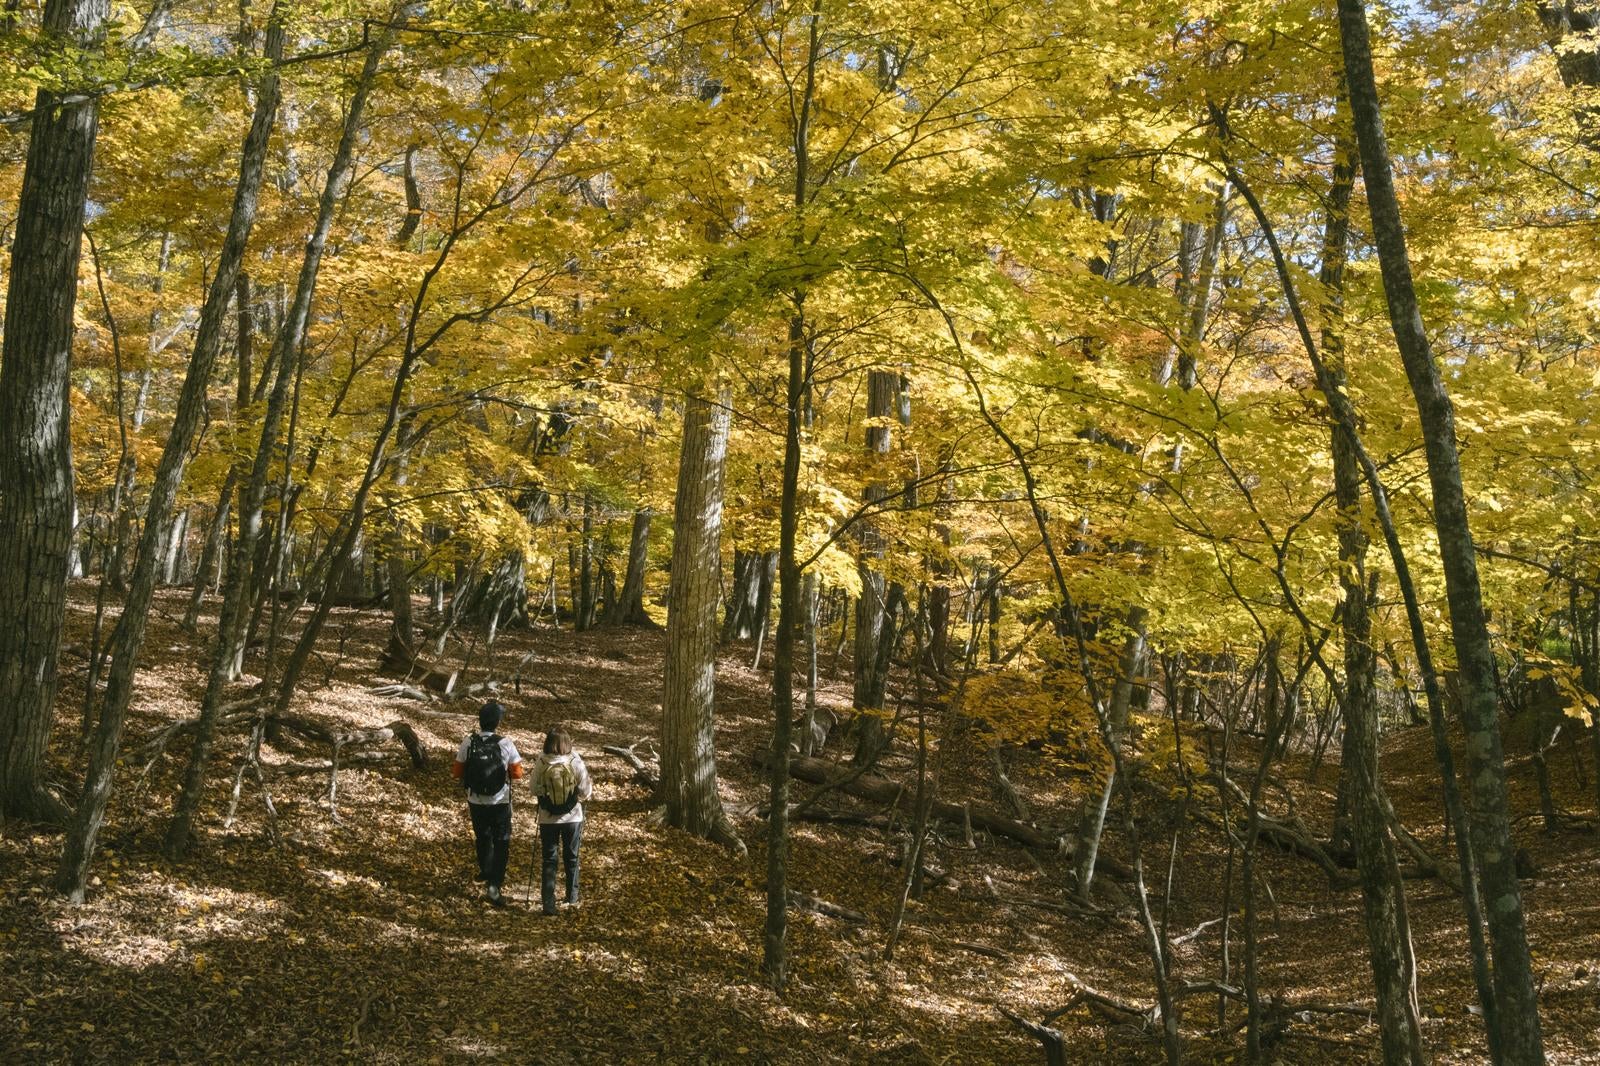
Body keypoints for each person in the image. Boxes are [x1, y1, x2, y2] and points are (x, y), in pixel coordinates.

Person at [452, 701, 523, 907]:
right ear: (497, 722)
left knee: (482, 836)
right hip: (500, 800)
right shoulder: (505, 743)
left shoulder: (469, 742)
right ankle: (494, 885)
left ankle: (485, 869)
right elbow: (517, 773)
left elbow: (457, 771)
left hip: (475, 799)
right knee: (502, 840)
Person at [528, 727, 592, 916]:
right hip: (573, 817)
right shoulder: (574, 760)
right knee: (572, 857)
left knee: (550, 859)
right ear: (567, 743)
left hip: (547, 818)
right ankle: (572, 896)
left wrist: (546, 798)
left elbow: (533, 788)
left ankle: (548, 902)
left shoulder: (541, 760)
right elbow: (585, 791)